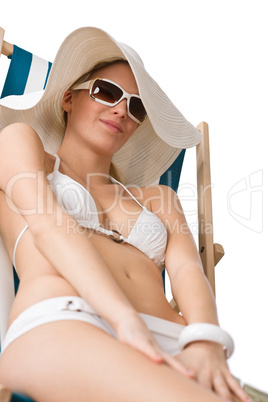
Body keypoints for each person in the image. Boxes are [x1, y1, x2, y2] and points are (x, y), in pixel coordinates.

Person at [0, 27, 250, 402]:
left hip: (170, 337)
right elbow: (50, 226)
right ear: (68, 98)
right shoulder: (21, 143)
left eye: (136, 107)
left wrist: (205, 339)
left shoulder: (158, 197)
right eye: (106, 91)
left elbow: (186, 271)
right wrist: (125, 320)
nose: (121, 109)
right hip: (67, 319)